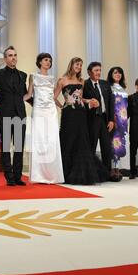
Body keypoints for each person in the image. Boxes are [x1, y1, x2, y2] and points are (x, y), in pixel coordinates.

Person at [54, 57, 107, 185]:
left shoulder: (81, 81)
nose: (79, 67)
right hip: (68, 114)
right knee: (68, 140)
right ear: (71, 65)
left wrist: (89, 101)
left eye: (81, 65)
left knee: (82, 141)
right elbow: (53, 97)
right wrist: (63, 106)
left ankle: (82, 173)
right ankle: (66, 173)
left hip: (81, 113)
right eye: (77, 64)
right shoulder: (62, 80)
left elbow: (81, 98)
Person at [23, 53, 64, 184]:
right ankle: (39, 175)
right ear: (40, 62)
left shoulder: (52, 78)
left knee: (51, 140)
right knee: (39, 140)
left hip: (51, 111)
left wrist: (63, 106)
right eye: (46, 60)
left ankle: (53, 175)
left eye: (50, 61)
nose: (48, 62)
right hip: (39, 111)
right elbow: (29, 94)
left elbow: (53, 97)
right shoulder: (33, 76)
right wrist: (15, 100)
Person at [0, 46, 28, 186]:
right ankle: (9, 177)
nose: (13, 57)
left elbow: (25, 94)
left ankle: (18, 176)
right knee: (6, 146)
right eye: (10, 55)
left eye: (15, 55)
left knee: (19, 146)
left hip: (20, 113)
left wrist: (42, 102)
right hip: (5, 113)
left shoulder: (23, 75)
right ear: (5, 58)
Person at [83, 62, 116, 181]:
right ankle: (91, 173)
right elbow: (82, 102)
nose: (98, 72)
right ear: (89, 72)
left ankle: (107, 173)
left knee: (107, 147)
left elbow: (111, 103)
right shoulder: (84, 84)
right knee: (91, 146)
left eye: (99, 70)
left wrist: (112, 119)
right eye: (96, 70)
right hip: (92, 120)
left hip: (105, 119)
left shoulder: (105, 84)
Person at [107, 66, 129, 181]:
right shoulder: (109, 87)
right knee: (114, 143)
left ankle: (118, 168)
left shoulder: (123, 88)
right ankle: (112, 169)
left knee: (121, 144)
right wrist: (113, 118)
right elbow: (110, 105)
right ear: (111, 74)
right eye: (115, 72)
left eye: (120, 73)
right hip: (115, 118)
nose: (118, 74)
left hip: (124, 120)